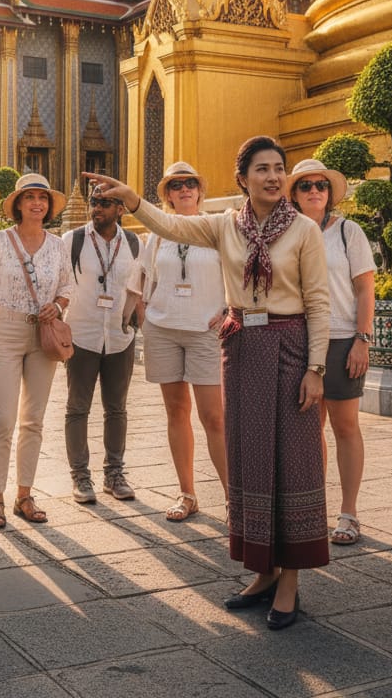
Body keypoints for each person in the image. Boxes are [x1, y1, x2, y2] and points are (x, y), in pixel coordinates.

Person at [85, 135, 329, 631]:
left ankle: (290, 583)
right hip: (241, 348)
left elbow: (320, 302)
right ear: (242, 179)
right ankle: (263, 571)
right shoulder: (225, 227)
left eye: (278, 168)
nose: (273, 177)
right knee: (249, 459)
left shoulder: (303, 230)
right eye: (261, 169)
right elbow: (169, 224)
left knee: (291, 462)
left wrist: (316, 368)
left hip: (289, 346)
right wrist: (132, 199)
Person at [131, 161, 226, 522]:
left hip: (206, 330)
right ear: (168, 196)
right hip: (165, 328)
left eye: (190, 184)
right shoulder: (156, 235)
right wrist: (144, 314)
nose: (184, 190)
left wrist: (229, 310)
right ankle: (187, 493)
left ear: (200, 191)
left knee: (213, 417)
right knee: (176, 411)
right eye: (176, 186)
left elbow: (237, 274)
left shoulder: (218, 229)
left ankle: (233, 497)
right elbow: (140, 278)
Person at [0, 173, 72, 529]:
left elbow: (66, 287)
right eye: (29, 197)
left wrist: (58, 308)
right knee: (2, 419)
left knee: (33, 419)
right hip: (4, 330)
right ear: (17, 204)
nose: (37, 203)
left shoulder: (58, 245)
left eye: (42, 198)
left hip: (43, 334)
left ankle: (24, 494)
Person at [288, 158, 374, 546]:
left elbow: (365, 289)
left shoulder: (347, 232)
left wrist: (362, 338)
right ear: (294, 194)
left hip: (341, 338)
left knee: (344, 425)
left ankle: (350, 512)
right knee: (308, 428)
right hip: (299, 337)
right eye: (305, 186)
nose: (314, 192)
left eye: (320, 185)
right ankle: (313, 507)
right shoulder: (286, 231)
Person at [62, 184, 143, 505]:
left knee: (117, 409)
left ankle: (114, 474)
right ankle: (81, 476)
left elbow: (140, 286)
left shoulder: (134, 243)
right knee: (77, 408)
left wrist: (136, 320)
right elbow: (61, 283)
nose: (97, 208)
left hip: (119, 337)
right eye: (94, 202)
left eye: (106, 203)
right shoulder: (73, 240)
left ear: (121, 209)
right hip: (82, 335)